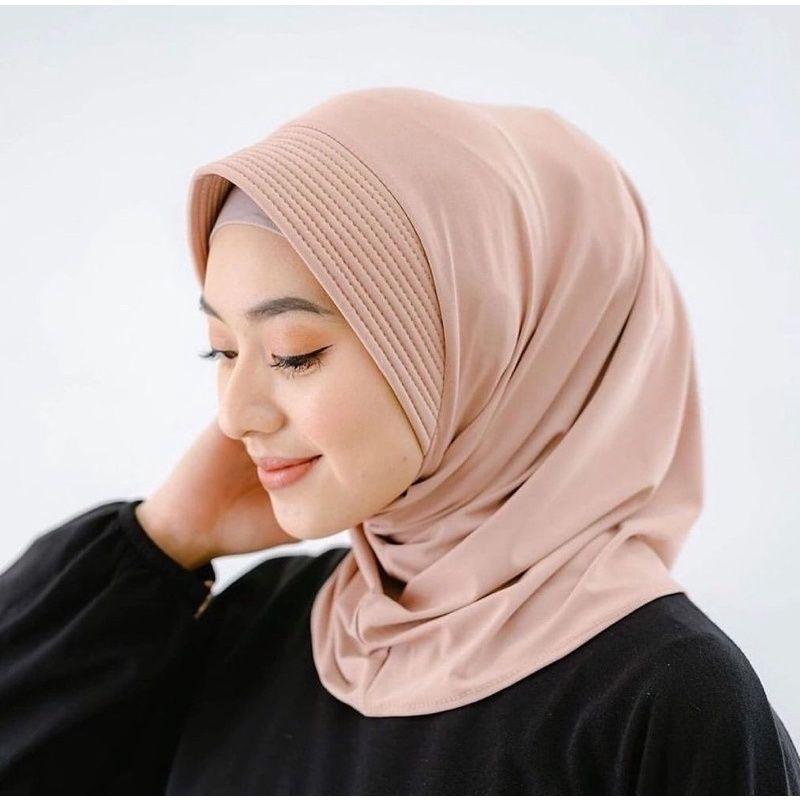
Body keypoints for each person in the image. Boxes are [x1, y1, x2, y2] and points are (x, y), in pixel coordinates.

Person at [1, 86, 798, 794]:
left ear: (483, 347)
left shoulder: (666, 698)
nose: (236, 415)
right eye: (222, 351)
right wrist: (159, 542)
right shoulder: (262, 629)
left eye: (293, 354)